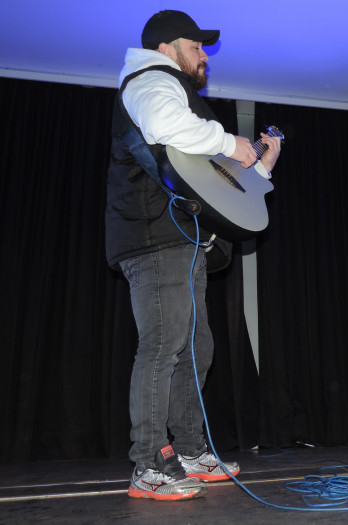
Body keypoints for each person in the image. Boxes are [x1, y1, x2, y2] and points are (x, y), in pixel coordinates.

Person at [105, 10, 282, 500]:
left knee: (195, 348)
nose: (204, 55)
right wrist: (231, 142)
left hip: (183, 240)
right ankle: (147, 465)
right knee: (164, 345)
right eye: (196, 46)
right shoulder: (151, 78)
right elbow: (168, 125)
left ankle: (188, 451)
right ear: (167, 48)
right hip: (153, 237)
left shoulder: (177, 91)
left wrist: (259, 167)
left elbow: (211, 181)